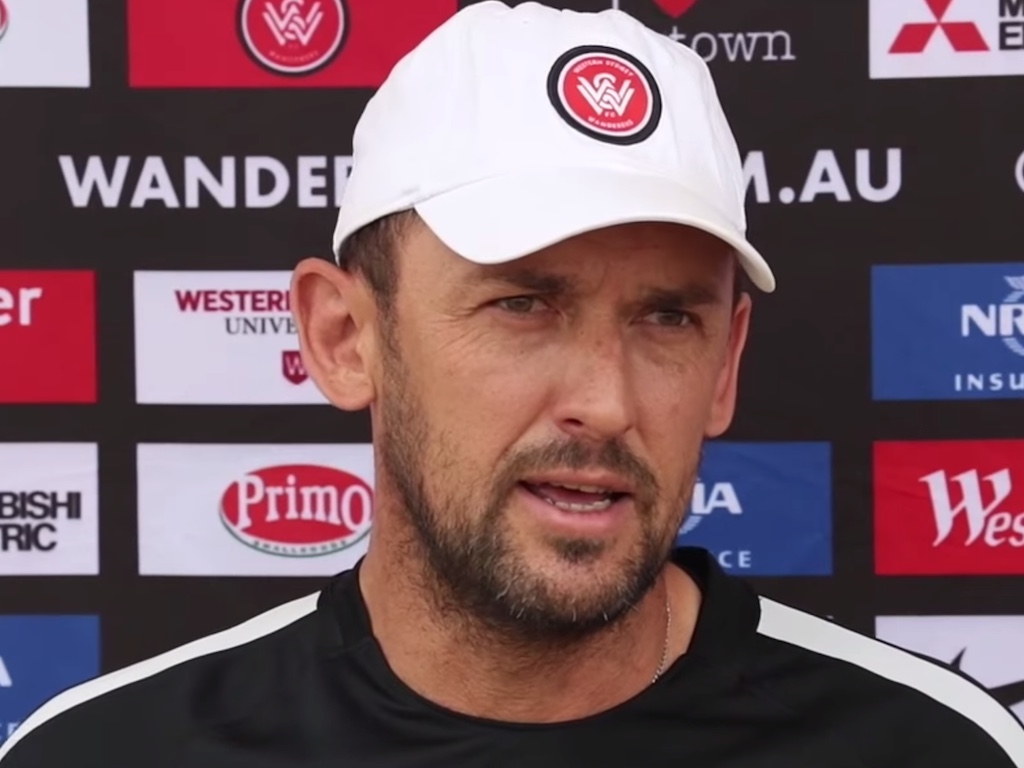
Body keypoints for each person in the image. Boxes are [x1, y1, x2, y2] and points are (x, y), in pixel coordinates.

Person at [3, 2, 1023, 766]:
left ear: (726, 365)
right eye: (523, 304)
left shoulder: (933, 748)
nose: (608, 403)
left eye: (668, 318)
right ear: (345, 337)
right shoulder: (104, 752)